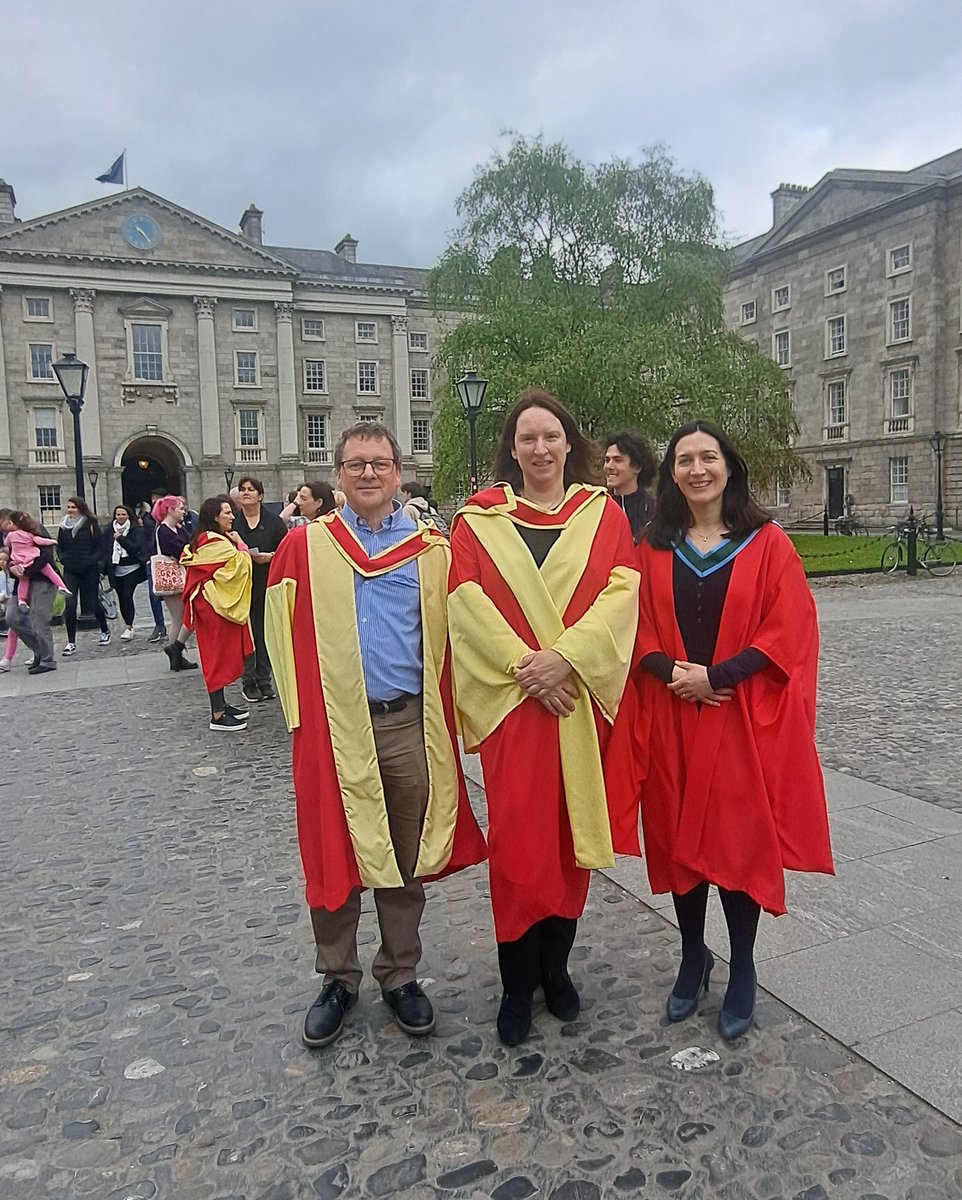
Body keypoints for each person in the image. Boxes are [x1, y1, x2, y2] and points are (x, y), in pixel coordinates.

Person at [264, 421, 486, 1049]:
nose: (368, 473)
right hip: (335, 727)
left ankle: (399, 971)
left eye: (379, 463)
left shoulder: (430, 551)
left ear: (396, 472)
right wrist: (298, 721)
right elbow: (278, 634)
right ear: (338, 474)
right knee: (334, 849)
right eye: (355, 463)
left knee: (404, 851)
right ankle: (337, 976)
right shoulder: (306, 547)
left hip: (406, 723)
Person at [447, 389, 641, 1047]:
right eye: (526, 438)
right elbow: (465, 601)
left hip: (575, 700)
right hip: (515, 705)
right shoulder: (477, 520)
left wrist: (564, 661)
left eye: (550, 436)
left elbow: (622, 595)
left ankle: (556, 971)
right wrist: (527, 668)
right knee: (519, 846)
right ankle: (514, 984)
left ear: (569, 443)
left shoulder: (602, 514)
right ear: (512, 448)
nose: (539, 448)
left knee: (569, 840)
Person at [635, 419, 834, 1041]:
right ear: (672, 472)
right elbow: (631, 627)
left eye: (708, 457)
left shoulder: (766, 542)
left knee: (737, 841)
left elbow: (788, 626)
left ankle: (743, 964)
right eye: (685, 459)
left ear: (728, 467)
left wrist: (717, 675)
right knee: (675, 840)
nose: (697, 468)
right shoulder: (653, 546)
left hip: (734, 714)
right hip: (673, 715)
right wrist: (675, 672)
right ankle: (693, 957)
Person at [180, 495, 254, 731]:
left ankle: (221, 703)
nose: (232, 517)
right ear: (214, 517)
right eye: (227, 513)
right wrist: (241, 543)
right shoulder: (214, 541)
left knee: (217, 654)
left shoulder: (205, 539)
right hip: (214, 605)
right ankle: (218, 715)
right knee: (216, 656)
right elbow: (241, 563)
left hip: (209, 604)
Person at [234, 476, 288, 704]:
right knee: (246, 634)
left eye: (251, 490)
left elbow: (286, 551)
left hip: (267, 581)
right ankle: (248, 680)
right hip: (241, 586)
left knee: (265, 632)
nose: (246, 493)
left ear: (260, 495)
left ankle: (264, 678)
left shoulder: (273, 521)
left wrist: (271, 557)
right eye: (243, 489)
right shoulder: (233, 523)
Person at [0, 508, 57, 674]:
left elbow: (46, 555)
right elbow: (7, 558)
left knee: (39, 618)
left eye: (3, 524)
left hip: (41, 579)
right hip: (20, 582)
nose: (3, 529)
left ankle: (47, 660)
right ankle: (38, 649)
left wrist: (27, 571)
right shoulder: (7, 536)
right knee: (12, 617)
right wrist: (12, 569)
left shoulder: (35, 529)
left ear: (9, 519)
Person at [58, 497, 110, 655]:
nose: (70, 510)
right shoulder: (63, 526)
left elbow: (101, 548)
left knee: (93, 604)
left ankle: (104, 629)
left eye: (73, 507)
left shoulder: (91, 525)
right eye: (68, 507)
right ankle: (71, 642)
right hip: (70, 571)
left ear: (80, 508)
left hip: (89, 570)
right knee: (70, 605)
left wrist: (92, 561)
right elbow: (60, 547)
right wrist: (63, 558)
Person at [152, 495, 198, 672]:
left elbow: (189, 545)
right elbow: (181, 551)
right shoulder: (162, 530)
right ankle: (175, 651)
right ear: (170, 510)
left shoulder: (177, 528)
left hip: (180, 577)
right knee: (180, 617)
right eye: (180, 508)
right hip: (172, 578)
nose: (183, 511)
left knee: (182, 617)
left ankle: (176, 653)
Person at [3, 510, 70, 611]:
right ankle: (61, 586)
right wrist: (52, 541)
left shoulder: (11, 535)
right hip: (31, 558)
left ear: (12, 523)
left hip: (20, 562)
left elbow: (6, 545)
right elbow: (40, 541)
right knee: (50, 572)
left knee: (23, 580)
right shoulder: (30, 534)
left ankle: (22, 600)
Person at [603, 430, 658, 544]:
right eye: (607, 460)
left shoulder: (655, 509)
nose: (609, 466)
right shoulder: (599, 507)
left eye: (618, 460)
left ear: (637, 467)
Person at [103, 503, 146, 641]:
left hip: (132, 568)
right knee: (121, 597)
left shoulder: (136, 530)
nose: (121, 517)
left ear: (128, 515)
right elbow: (104, 548)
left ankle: (129, 626)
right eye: (118, 515)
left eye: (123, 514)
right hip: (115, 568)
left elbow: (135, 548)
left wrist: (120, 538)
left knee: (127, 595)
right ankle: (128, 623)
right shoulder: (109, 530)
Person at [140, 487, 169, 643]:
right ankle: (160, 625)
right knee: (154, 595)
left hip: (171, 561)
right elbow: (145, 540)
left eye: (157, 497)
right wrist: (146, 558)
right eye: (152, 497)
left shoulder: (172, 519)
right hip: (153, 560)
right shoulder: (149, 519)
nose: (154, 500)